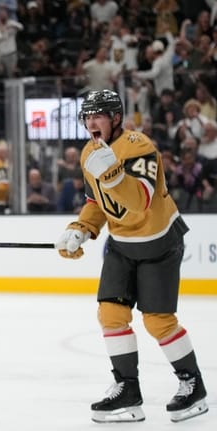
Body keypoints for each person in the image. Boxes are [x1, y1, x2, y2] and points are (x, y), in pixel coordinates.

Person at [55, 89, 208, 424]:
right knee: (110, 314)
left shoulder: (139, 146)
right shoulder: (89, 153)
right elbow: (96, 202)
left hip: (159, 242)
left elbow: (140, 201)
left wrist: (112, 174)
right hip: (122, 244)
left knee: (158, 321)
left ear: (116, 118)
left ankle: (193, 384)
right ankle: (127, 389)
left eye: (99, 116)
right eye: (87, 116)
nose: (91, 122)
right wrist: (81, 228)